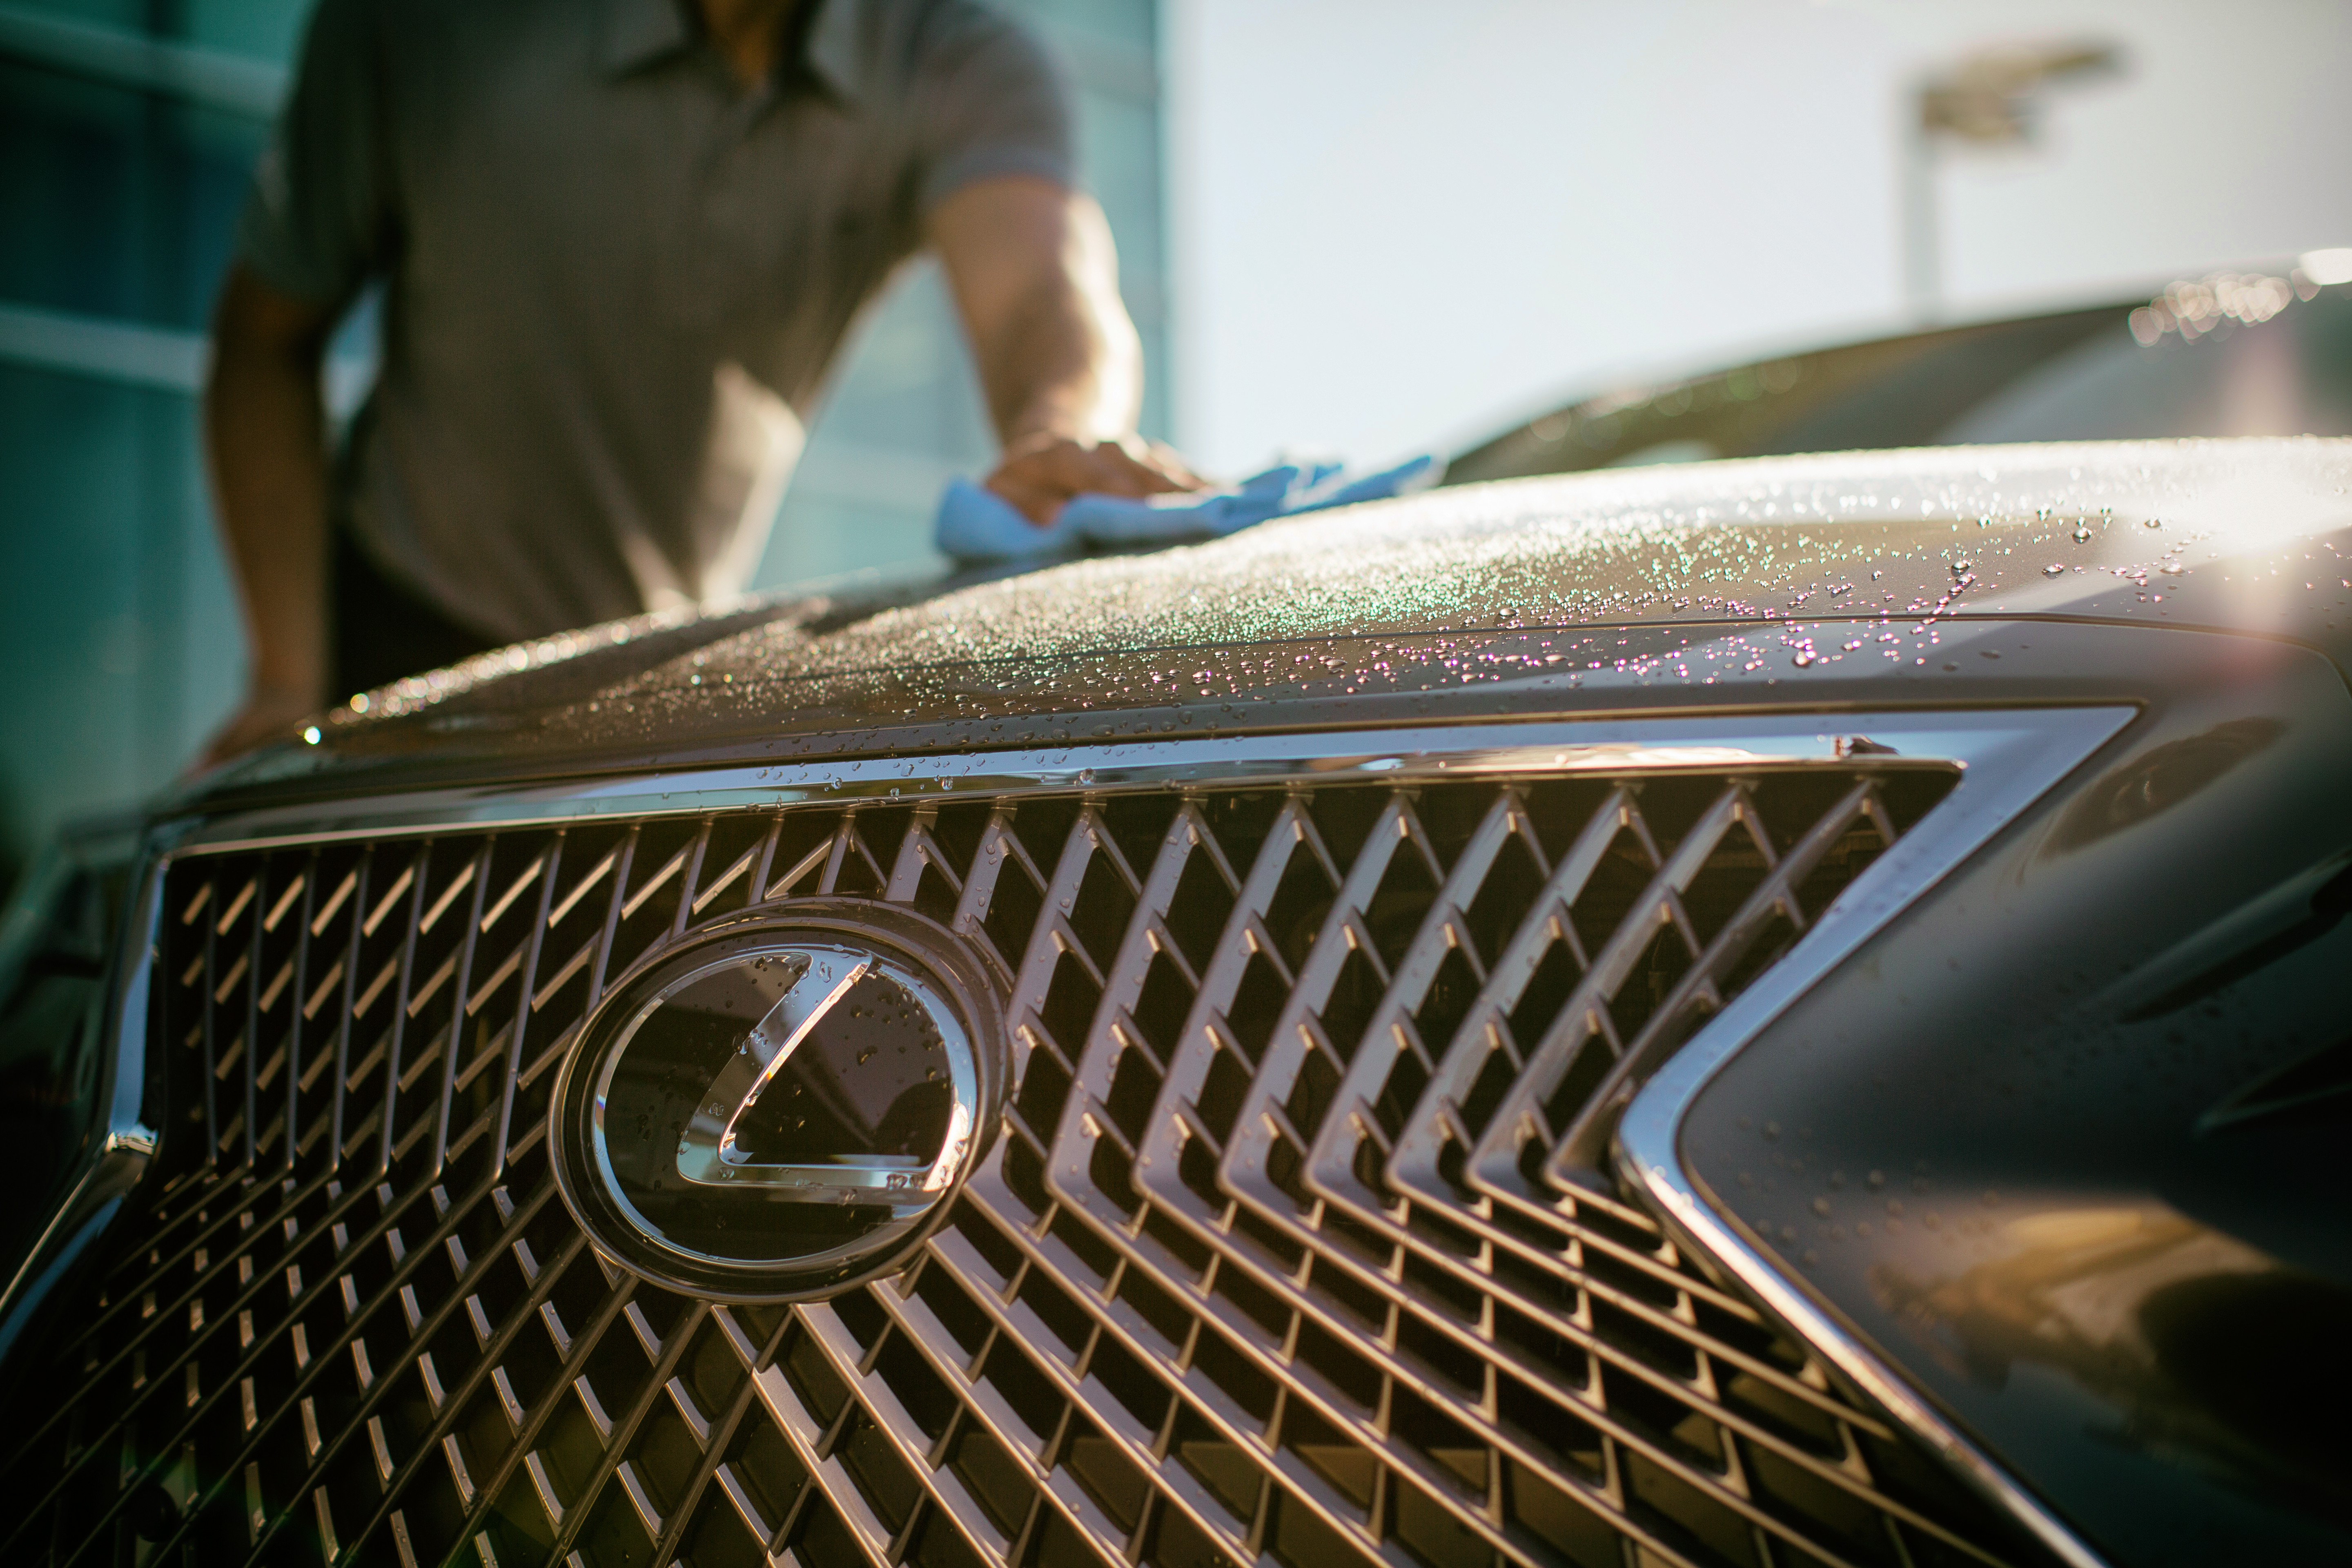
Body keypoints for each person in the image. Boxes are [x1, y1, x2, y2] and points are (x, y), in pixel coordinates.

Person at [200, 0, 1198, 763]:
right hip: (393, 649)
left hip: (658, 684)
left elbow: (1044, 291)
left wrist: (1058, 435)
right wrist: (291, 678)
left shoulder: (953, 56)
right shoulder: (430, 26)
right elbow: (265, 338)